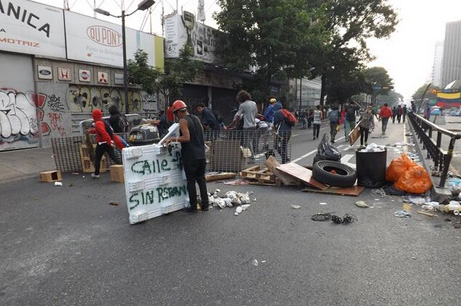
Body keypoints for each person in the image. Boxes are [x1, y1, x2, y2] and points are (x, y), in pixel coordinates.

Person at [164, 100, 209, 213]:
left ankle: (193, 206)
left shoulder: (183, 121)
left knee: (191, 181)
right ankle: (205, 205)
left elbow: (186, 138)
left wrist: (172, 139)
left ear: (178, 112)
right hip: (201, 155)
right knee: (201, 180)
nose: (176, 116)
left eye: (175, 113)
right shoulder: (196, 119)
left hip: (191, 156)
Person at [86, 109, 122, 179]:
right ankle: (122, 167)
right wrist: (110, 142)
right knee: (113, 157)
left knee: (97, 158)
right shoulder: (103, 121)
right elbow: (101, 131)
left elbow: (103, 133)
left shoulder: (98, 123)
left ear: (94, 116)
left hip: (102, 143)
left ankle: (96, 173)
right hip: (107, 142)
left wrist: (109, 142)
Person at [227, 90, 258, 162]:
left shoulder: (243, 105)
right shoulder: (254, 103)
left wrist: (233, 124)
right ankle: (248, 156)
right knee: (250, 141)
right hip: (254, 125)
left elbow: (237, 116)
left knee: (247, 142)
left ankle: (251, 158)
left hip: (247, 126)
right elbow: (256, 114)